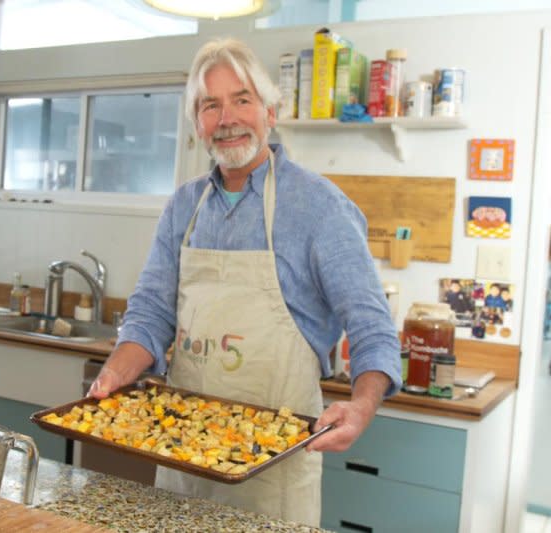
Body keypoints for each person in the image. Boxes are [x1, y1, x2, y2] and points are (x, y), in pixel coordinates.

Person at [88, 38, 401, 526]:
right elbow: (150, 314)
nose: (227, 118)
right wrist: (114, 374)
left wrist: (361, 406)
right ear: (197, 124)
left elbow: (372, 329)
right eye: (210, 105)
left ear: (270, 112)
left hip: (274, 477)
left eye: (242, 99)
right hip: (182, 460)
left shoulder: (319, 207)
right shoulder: (183, 208)